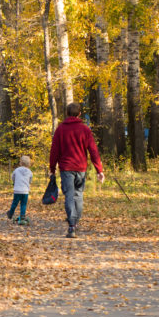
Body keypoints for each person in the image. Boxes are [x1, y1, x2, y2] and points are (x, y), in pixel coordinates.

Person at [49, 102, 105, 238]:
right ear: (79, 114)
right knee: (78, 195)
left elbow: (54, 151)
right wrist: (99, 170)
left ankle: (72, 224)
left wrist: (52, 168)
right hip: (80, 168)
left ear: (67, 113)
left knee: (69, 195)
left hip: (66, 168)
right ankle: (75, 221)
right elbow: (93, 150)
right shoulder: (84, 129)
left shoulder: (61, 129)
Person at [8, 155, 33, 224]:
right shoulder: (30, 172)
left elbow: (13, 177)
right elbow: (30, 180)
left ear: (20, 163)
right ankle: (22, 216)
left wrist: (14, 182)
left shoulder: (16, 170)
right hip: (25, 191)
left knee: (15, 202)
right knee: (23, 204)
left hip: (17, 190)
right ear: (28, 163)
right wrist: (28, 183)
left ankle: (11, 213)